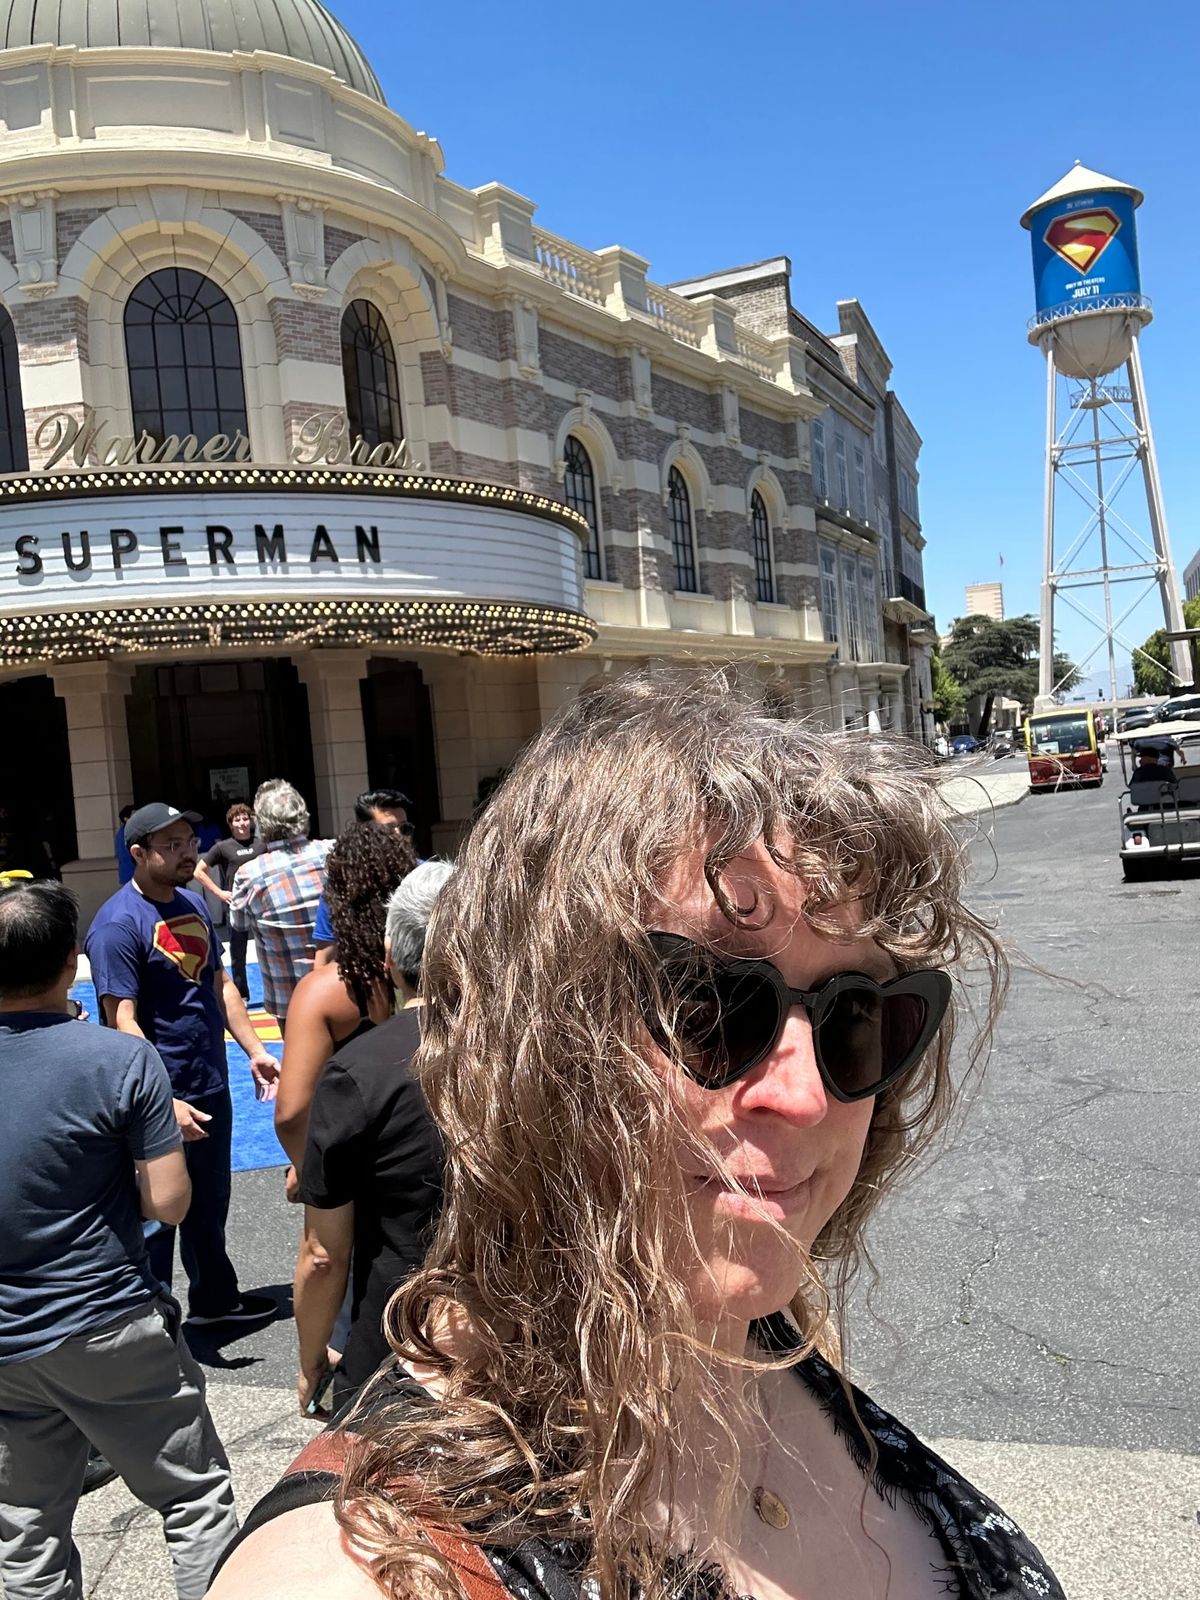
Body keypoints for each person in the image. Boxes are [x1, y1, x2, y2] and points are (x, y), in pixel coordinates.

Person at [210, 667, 1064, 1600]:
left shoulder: (754, 1354)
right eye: (708, 1005)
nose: (807, 1097)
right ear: (529, 1043)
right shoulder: (355, 1570)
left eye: (860, 1015)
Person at [0, 879, 238, 1600]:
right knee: (194, 1496)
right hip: (105, 1316)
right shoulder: (120, 1061)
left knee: (26, 1528)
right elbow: (168, 1205)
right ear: (72, 960)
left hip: (8, 1340)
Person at [85, 803, 278, 1327]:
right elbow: (121, 1020)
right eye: (171, 845)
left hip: (209, 1081)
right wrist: (158, 1097)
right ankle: (153, 1321)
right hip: (157, 1096)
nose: (187, 852)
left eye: (189, 841)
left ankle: (215, 1302)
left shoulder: (192, 905)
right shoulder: (117, 925)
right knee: (155, 1214)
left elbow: (220, 986)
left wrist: (256, 1050)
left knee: (209, 1202)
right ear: (138, 854)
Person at [293, 860, 453, 1415]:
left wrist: (311, 1355)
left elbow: (321, 1254)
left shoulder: (359, 1070)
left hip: (399, 1343)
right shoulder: (531, 1051)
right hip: (521, 1332)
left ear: (389, 957)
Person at [274, 821, 419, 1190]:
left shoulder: (324, 992)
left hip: (356, 1165)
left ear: (338, 897)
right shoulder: (438, 971)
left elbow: (291, 1114)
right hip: (430, 1152)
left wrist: (313, 1174)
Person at [228, 780, 331, 1024]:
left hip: (291, 999)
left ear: (261, 823)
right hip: (345, 988)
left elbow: (238, 924)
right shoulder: (335, 852)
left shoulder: (250, 874)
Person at [312, 789, 415, 968]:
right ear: (365, 833)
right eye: (389, 828)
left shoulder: (423, 875)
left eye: (404, 828)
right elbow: (323, 960)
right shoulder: (341, 888)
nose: (399, 835)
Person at [193, 802, 264, 1001]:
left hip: (262, 904)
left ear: (251, 821)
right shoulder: (222, 847)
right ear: (231, 824)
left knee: (269, 947)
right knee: (238, 952)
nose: (241, 823)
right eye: (237, 820)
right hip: (237, 905)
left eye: (245, 819)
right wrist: (220, 892)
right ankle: (242, 994)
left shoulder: (262, 844)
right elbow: (198, 871)